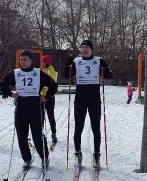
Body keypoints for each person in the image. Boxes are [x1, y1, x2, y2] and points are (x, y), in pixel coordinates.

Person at [0, 49, 58, 170]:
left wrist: (46, 96)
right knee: (21, 136)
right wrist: (10, 94)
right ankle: (26, 158)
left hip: (35, 108)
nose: (23, 62)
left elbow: (53, 85)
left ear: (31, 60)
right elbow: (2, 82)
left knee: (37, 136)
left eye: (25, 59)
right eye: (21, 60)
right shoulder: (16, 73)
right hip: (21, 108)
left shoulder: (38, 73)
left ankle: (44, 157)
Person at [64, 40, 113, 168]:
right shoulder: (76, 61)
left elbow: (109, 76)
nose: (84, 49)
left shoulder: (98, 60)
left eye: (87, 47)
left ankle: (96, 155)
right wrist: (68, 65)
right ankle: (78, 154)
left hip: (94, 99)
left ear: (91, 49)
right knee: (78, 128)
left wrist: (106, 69)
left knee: (96, 128)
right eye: (82, 47)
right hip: (80, 98)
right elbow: (67, 76)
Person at [41, 55, 58, 145]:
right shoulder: (42, 71)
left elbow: (51, 84)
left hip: (49, 97)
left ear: (47, 62)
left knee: (50, 116)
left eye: (43, 62)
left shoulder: (52, 71)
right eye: (41, 62)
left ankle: (54, 133)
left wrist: (46, 95)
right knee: (41, 116)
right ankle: (40, 133)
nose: (41, 64)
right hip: (41, 97)